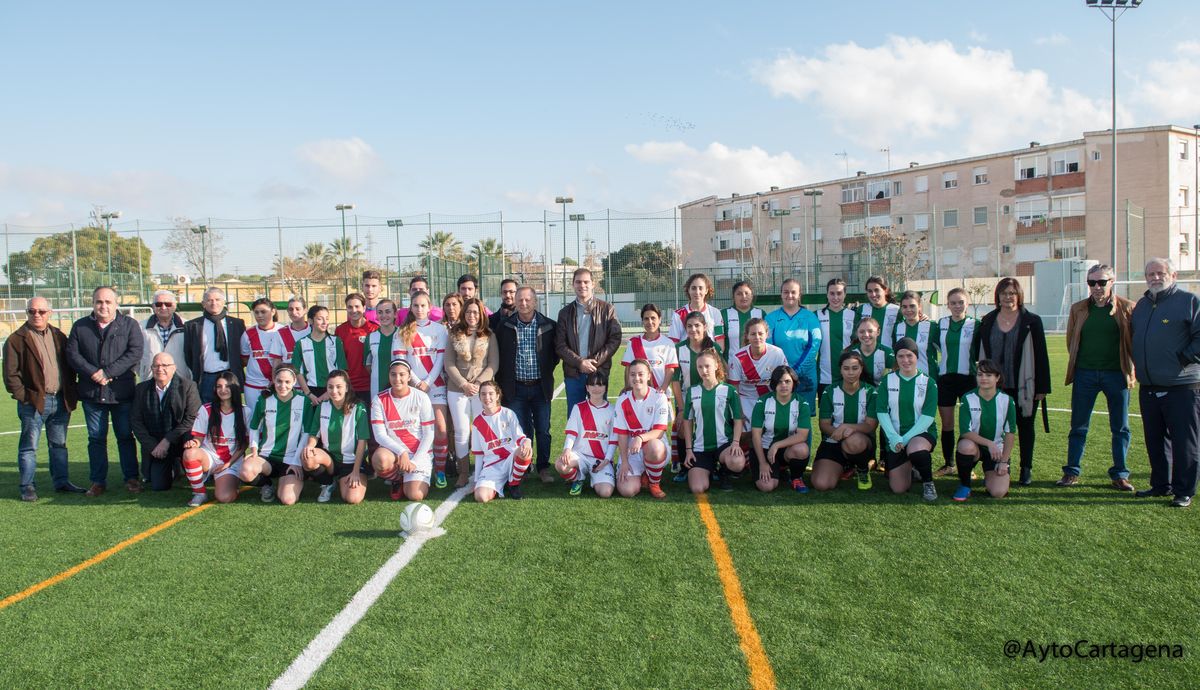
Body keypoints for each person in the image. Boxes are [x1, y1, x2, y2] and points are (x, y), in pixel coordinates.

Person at [1059, 264, 1135, 491]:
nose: (1097, 287)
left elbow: (1132, 341)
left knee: (1120, 427)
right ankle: (1071, 471)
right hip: (1085, 374)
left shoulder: (1127, 308)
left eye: (1102, 282)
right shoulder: (1078, 309)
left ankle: (1120, 474)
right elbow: (1071, 339)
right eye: (1092, 283)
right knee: (1078, 426)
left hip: (1117, 375)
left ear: (1112, 282)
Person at [1131, 258, 1200, 508]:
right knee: (1155, 441)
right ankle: (1161, 485)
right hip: (1149, 386)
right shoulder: (1142, 305)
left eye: (1160, 273)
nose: (1155, 277)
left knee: (1185, 443)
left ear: (1173, 274)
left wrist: (1183, 358)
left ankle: (1184, 491)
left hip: (1182, 387)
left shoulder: (1189, 301)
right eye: (1151, 273)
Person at [66, 286, 144, 496]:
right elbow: (73, 354)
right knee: (96, 438)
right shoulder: (80, 326)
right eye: (99, 302)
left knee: (125, 436)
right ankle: (98, 481)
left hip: (122, 393)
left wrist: (108, 372)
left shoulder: (129, 325)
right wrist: (93, 373)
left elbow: (135, 352)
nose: (103, 306)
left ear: (116, 304)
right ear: (93, 303)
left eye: (108, 302)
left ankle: (131, 478)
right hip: (92, 394)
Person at [5, 296, 83, 499]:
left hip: (60, 400)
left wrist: (70, 391)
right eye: (32, 311)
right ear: (27, 313)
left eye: (41, 311)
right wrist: (24, 397)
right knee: (29, 447)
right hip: (33, 403)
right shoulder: (16, 339)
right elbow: (10, 375)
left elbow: (69, 366)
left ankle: (61, 482)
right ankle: (27, 487)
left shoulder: (59, 335)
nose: (36, 315)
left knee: (58, 445)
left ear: (50, 313)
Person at [975, 277, 1050, 487]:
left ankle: (1026, 468)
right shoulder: (987, 320)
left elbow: (1041, 356)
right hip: (995, 387)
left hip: (1024, 385)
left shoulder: (1032, 321)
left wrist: (1042, 387)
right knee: (995, 428)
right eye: (1004, 293)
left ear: (1019, 296)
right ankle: (998, 465)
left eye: (1012, 293)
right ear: (997, 296)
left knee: (1025, 427)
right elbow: (979, 353)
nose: (1008, 297)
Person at [494, 286, 559, 483]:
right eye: (520, 299)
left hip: (540, 387)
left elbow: (555, 355)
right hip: (516, 388)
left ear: (535, 302)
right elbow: (501, 355)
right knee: (521, 430)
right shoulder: (505, 326)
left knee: (543, 429)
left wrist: (545, 371)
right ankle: (524, 464)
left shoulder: (549, 325)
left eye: (527, 300)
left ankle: (543, 467)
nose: (523, 303)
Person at [396, 290, 451, 488]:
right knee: (414, 429)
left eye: (423, 305)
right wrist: (417, 381)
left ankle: (440, 471)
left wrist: (427, 381)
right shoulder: (402, 331)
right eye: (415, 305)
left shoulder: (439, 329)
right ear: (411, 308)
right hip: (413, 386)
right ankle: (414, 467)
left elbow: (440, 359)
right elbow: (401, 361)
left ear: (430, 307)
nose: (419, 309)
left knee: (441, 429)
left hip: (435, 385)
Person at [876, 338, 940, 501]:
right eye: (901, 356)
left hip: (921, 434)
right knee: (898, 489)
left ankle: (928, 482)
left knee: (916, 449)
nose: (905, 360)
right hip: (895, 437)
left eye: (909, 356)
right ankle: (912, 467)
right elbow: (881, 412)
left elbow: (928, 417)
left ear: (916, 356)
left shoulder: (928, 383)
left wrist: (904, 440)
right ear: (896, 359)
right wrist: (893, 437)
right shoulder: (887, 380)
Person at [445, 297, 498, 487]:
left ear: (481, 314)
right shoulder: (454, 333)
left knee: (480, 430)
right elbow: (448, 363)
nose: (472, 315)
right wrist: (463, 384)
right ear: (463, 314)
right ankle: (463, 471)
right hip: (457, 389)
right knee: (460, 431)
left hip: (481, 391)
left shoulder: (489, 335)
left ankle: (482, 468)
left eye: (475, 312)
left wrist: (477, 384)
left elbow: (493, 364)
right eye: (468, 312)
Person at [130, 353, 200, 493]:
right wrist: (153, 446)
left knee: (190, 447)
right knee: (158, 485)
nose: (160, 369)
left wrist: (168, 440)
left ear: (174, 368)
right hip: (156, 445)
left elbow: (191, 418)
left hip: (181, 439)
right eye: (156, 366)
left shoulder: (188, 386)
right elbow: (136, 421)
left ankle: (183, 463)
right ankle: (173, 467)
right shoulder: (142, 389)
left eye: (165, 365)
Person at [556, 267, 623, 412]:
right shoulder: (564, 313)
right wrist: (580, 362)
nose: (582, 285)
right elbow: (560, 345)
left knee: (600, 415)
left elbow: (615, 338)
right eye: (578, 282)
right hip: (574, 373)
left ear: (593, 284)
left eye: (586, 282)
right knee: (575, 415)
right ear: (573, 284)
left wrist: (593, 363)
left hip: (598, 372)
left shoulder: (607, 309)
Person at [180, 371, 251, 506]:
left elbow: (244, 445)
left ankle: (232, 481)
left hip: (231, 461)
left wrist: (228, 464)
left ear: (235, 387)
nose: (223, 390)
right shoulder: (206, 409)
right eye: (219, 386)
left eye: (227, 386)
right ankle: (199, 493)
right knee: (190, 454)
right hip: (210, 458)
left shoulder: (245, 412)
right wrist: (193, 443)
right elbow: (198, 438)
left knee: (224, 497)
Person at [240, 364, 308, 503]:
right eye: (279, 381)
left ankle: (287, 482)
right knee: (245, 472)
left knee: (287, 499)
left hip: (290, 458)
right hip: (267, 456)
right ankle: (267, 485)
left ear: (294, 382)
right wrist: (254, 450)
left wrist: (296, 461)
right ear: (274, 381)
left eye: (287, 382)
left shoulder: (303, 401)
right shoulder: (264, 400)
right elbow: (254, 427)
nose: (283, 385)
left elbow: (306, 433)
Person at [300, 370, 370, 504]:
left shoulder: (358, 408)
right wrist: (309, 446)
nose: (334, 391)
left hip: (351, 462)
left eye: (339, 387)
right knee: (308, 457)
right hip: (330, 460)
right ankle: (328, 483)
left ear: (347, 388)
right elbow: (314, 434)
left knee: (352, 498)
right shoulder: (323, 407)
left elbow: (362, 442)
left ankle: (348, 478)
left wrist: (355, 471)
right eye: (330, 387)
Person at [812, 351, 878, 492]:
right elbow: (824, 425)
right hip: (834, 440)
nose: (850, 372)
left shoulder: (871, 392)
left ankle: (862, 469)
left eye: (855, 368)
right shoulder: (830, 391)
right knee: (821, 484)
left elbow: (870, 426)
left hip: (860, 442)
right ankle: (845, 466)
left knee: (853, 441)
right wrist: (840, 433)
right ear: (840, 370)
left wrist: (846, 428)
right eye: (846, 368)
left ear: (861, 369)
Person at [681, 350, 745, 494]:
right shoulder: (692, 391)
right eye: (700, 367)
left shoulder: (728, 391)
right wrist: (689, 450)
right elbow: (687, 421)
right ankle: (709, 469)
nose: (704, 370)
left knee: (737, 462)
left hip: (724, 445)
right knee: (697, 488)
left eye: (707, 366)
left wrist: (735, 442)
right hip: (700, 447)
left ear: (716, 365)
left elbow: (738, 419)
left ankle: (724, 473)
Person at [371, 360, 436, 501]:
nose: (397, 379)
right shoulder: (379, 399)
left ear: (409, 376)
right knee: (380, 459)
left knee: (415, 495)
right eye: (393, 375)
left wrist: (415, 461)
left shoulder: (421, 397)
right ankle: (397, 479)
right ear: (389, 376)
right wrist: (402, 452)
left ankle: (417, 474)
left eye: (402, 374)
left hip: (419, 453)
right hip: (395, 453)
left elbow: (429, 434)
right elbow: (379, 435)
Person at [952, 360, 1016, 501]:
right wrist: (989, 443)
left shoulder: (1007, 400)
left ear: (997, 378)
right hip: (975, 446)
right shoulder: (967, 398)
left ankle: (990, 475)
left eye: (989, 375)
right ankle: (964, 485)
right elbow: (965, 432)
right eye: (980, 374)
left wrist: (1004, 461)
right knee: (965, 445)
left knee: (998, 492)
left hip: (997, 451)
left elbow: (1010, 433)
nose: (984, 378)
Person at [671, 311, 724, 481]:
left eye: (697, 325)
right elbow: (676, 381)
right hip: (687, 397)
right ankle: (684, 467)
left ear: (705, 327)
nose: (693, 329)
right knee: (681, 430)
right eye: (689, 326)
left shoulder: (713, 348)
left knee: (711, 430)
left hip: (710, 395)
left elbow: (722, 373)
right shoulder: (679, 348)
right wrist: (680, 408)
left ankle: (714, 466)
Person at [933, 287, 978, 478]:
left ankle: (968, 465)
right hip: (946, 379)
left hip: (969, 379)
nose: (957, 306)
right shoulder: (940, 324)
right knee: (947, 424)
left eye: (961, 302)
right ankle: (949, 464)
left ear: (967, 304)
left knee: (970, 424)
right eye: (953, 303)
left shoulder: (977, 324)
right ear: (947, 305)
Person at [748, 365, 812, 493]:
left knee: (802, 449)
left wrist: (777, 445)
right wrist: (762, 462)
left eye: (787, 381)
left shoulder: (801, 403)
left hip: (785, 449)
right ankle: (774, 469)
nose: (784, 385)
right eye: (779, 382)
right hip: (764, 449)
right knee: (766, 487)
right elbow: (755, 435)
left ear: (793, 383)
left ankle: (796, 477)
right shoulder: (763, 402)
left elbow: (802, 436)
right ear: (774, 384)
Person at [614, 359, 672, 499]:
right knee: (627, 491)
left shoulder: (659, 397)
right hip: (632, 451)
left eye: (641, 374)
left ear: (648, 376)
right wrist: (624, 461)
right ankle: (645, 472)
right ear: (628, 377)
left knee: (655, 447)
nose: (636, 378)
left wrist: (640, 438)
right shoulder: (622, 400)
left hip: (654, 448)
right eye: (633, 374)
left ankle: (654, 483)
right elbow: (621, 434)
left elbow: (659, 432)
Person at [556, 372, 616, 497]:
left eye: (600, 385)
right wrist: (567, 450)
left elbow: (614, 440)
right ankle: (578, 478)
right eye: (592, 385)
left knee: (606, 493)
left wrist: (607, 460)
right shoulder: (578, 408)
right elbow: (571, 433)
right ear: (587, 388)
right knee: (561, 465)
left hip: (601, 459)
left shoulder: (612, 410)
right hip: (580, 456)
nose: (596, 388)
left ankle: (597, 477)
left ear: (605, 387)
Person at [471, 380, 533, 502]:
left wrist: (527, 441)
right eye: (483, 394)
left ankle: (513, 484)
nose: (487, 397)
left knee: (526, 450)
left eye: (490, 393)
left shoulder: (508, 413)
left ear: (497, 395)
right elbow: (479, 455)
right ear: (479, 397)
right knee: (481, 497)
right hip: (492, 465)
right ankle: (503, 482)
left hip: (511, 459)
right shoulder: (477, 422)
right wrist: (477, 480)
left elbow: (521, 437)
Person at [183, 286, 247, 403]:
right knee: (207, 413)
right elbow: (188, 354)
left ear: (224, 302)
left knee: (232, 412)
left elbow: (243, 351)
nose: (214, 303)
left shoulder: (237, 324)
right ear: (203, 303)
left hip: (230, 376)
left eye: (217, 300)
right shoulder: (192, 326)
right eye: (209, 300)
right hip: (206, 378)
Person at [765, 278, 822, 410]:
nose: (789, 295)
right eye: (786, 292)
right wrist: (784, 374)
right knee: (781, 416)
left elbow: (814, 345)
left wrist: (796, 371)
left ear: (799, 295)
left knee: (803, 417)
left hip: (805, 375)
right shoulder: (771, 318)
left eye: (793, 292)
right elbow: (768, 346)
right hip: (779, 377)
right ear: (781, 294)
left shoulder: (810, 317)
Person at [727, 318, 789, 424]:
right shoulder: (738, 357)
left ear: (766, 334)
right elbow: (734, 389)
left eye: (760, 333)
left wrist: (782, 405)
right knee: (745, 436)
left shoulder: (777, 353)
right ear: (747, 336)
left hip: (770, 398)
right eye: (753, 334)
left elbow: (786, 380)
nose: (757, 337)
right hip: (745, 399)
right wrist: (739, 413)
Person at [292, 305, 347, 405]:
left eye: (327, 318)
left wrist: (328, 393)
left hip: (332, 390)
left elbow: (342, 369)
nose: (325, 322)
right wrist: (308, 394)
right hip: (310, 392)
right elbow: (296, 371)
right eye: (320, 319)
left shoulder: (336, 341)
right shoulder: (301, 343)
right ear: (310, 321)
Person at [240, 297, 285, 414]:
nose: (260, 315)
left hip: (279, 384)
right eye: (256, 312)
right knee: (254, 419)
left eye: (263, 312)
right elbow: (244, 358)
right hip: (253, 385)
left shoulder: (283, 331)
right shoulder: (248, 333)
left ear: (273, 311)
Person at [816, 278, 857, 403]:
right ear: (827, 294)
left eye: (839, 293)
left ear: (845, 294)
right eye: (832, 293)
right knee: (826, 417)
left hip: (849, 374)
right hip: (825, 375)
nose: (835, 297)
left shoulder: (854, 315)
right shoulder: (817, 315)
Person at [335, 292, 379, 403]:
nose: (354, 310)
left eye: (357, 306)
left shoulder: (374, 329)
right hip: (349, 386)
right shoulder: (340, 330)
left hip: (371, 385)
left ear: (364, 308)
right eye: (350, 307)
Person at [137, 289, 190, 382]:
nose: (163, 307)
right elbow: (135, 354)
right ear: (153, 306)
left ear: (174, 306)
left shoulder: (187, 326)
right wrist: (144, 371)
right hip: (150, 380)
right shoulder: (141, 327)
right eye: (158, 304)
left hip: (180, 380)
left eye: (168, 304)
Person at [668, 272, 724, 347]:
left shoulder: (715, 313)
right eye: (693, 288)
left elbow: (720, 341)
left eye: (701, 288)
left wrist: (712, 357)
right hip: (686, 357)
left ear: (706, 290)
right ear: (688, 290)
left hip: (709, 356)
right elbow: (673, 343)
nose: (697, 292)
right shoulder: (678, 314)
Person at [891, 291, 939, 376]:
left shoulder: (932, 326)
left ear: (920, 306)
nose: (908, 310)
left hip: (928, 378)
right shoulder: (897, 328)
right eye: (904, 307)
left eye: (912, 306)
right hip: (905, 379)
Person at [364, 299, 403, 400]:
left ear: (395, 314)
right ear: (376, 315)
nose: (384, 315)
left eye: (387, 311)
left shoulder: (403, 335)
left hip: (401, 387)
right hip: (377, 388)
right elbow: (368, 365)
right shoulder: (371, 337)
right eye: (380, 312)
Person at [848, 318, 894, 387]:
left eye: (870, 331)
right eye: (861, 332)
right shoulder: (850, 353)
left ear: (878, 332)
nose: (866, 335)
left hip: (880, 394)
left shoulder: (888, 353)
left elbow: (892, 381)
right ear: (857, 333)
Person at [857, 276, 900, 349]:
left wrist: (922, 318)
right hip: (865, 357)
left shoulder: (897, 310)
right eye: (870, 291)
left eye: (876, 290)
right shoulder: (861, 310)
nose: (873, 294)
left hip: (889, 357)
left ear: (885, 291)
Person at [723, 281, 764, 356]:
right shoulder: (724, 314)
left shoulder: (761, 314)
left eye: (747, 293)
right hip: (731, 364)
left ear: (751, 296)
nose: (743, 296)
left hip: (757, 365)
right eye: (739, 294)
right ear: (733, 296)